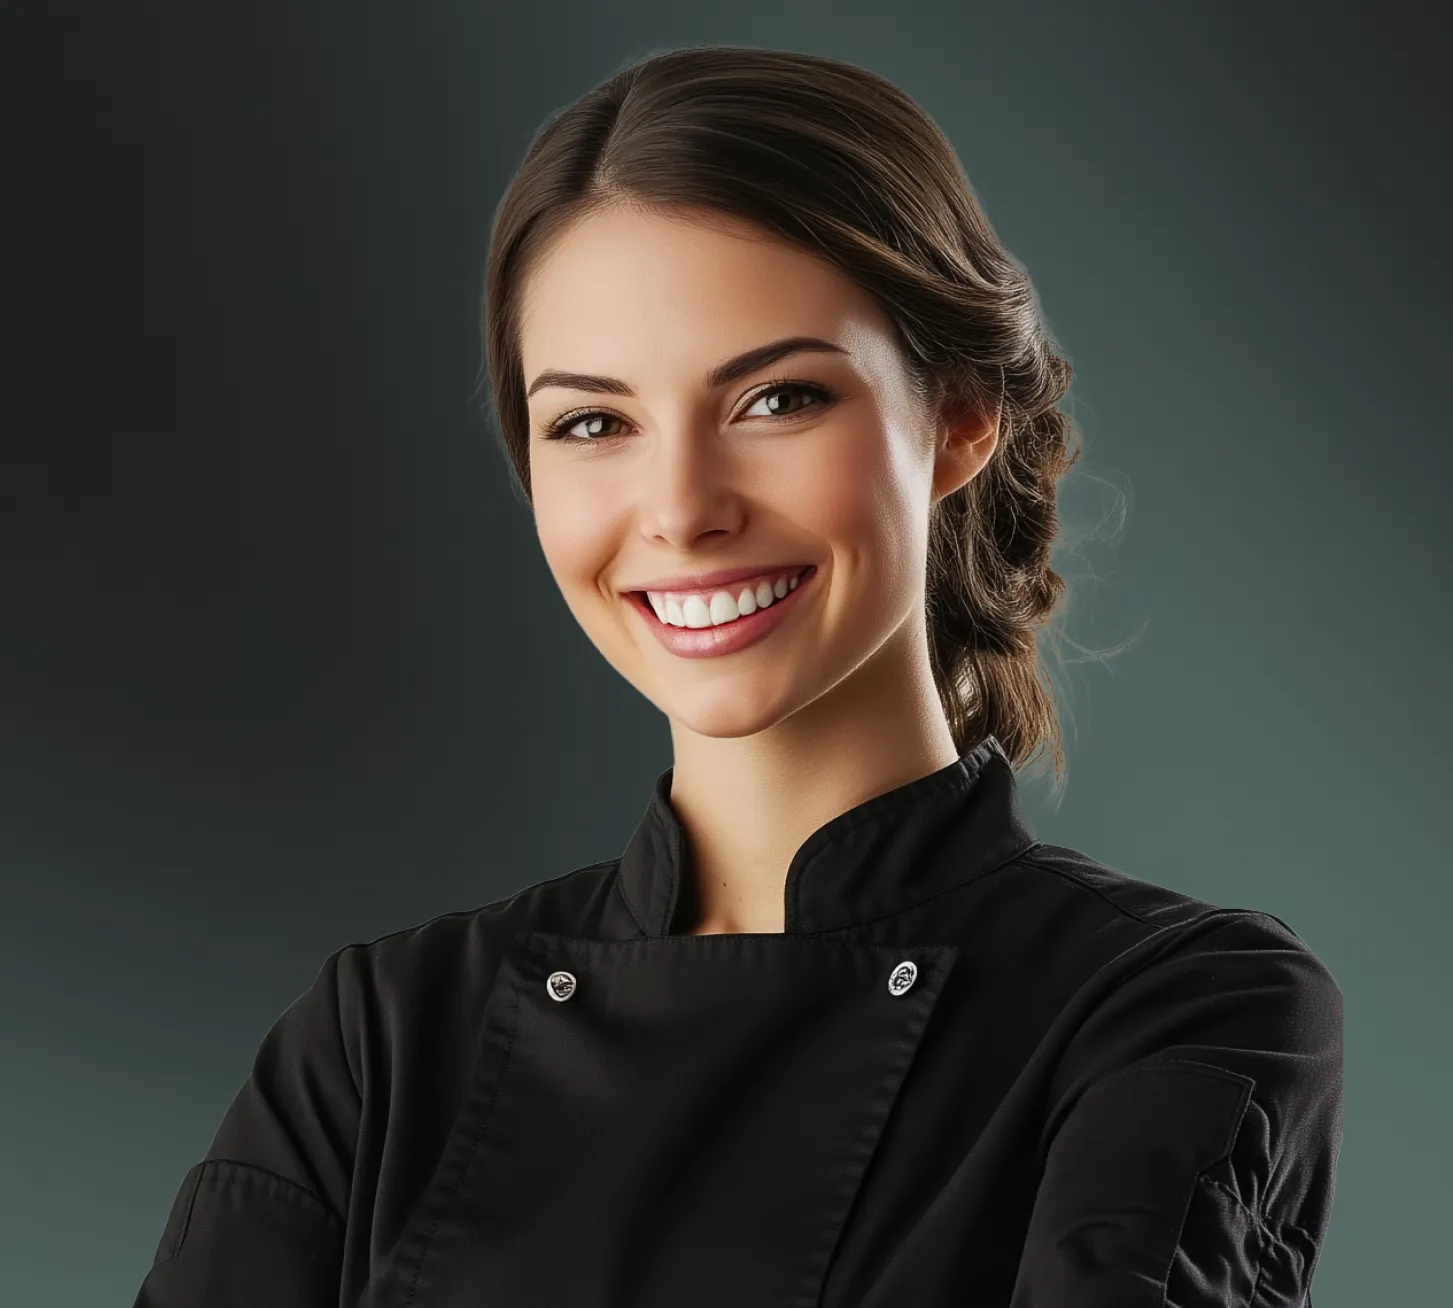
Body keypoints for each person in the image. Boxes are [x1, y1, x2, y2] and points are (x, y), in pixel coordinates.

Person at [134, 44, 1343, 1307]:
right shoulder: (381, 1037)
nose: (681, 510)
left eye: (775, 399)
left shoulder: (1169, 1006)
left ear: (961, 417)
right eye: (593, 423)